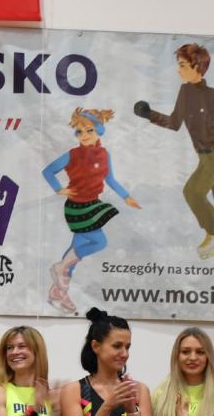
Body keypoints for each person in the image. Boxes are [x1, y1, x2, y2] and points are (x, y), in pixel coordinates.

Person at [134, 43, 214, 268]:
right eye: (178, 65)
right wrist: (149, 114)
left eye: (182, 65)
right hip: (204, 156)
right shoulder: (185, 92)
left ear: (196, 67)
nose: (178, 69)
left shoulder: (212, 95)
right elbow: (174, 123)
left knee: (193, 191)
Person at [41, 108, 142, 315]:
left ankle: (58, 291)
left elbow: (110, 179)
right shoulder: (73, 154)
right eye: (79, 131)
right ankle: (60, 269)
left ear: (98, 131)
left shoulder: (104, 155)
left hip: (92, 204)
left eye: (89, 130)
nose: (84, 135)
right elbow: (48, 171)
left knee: (75, 248)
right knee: (99, 242)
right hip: (78, 207)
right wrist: (59, 188)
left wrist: (126, 196)